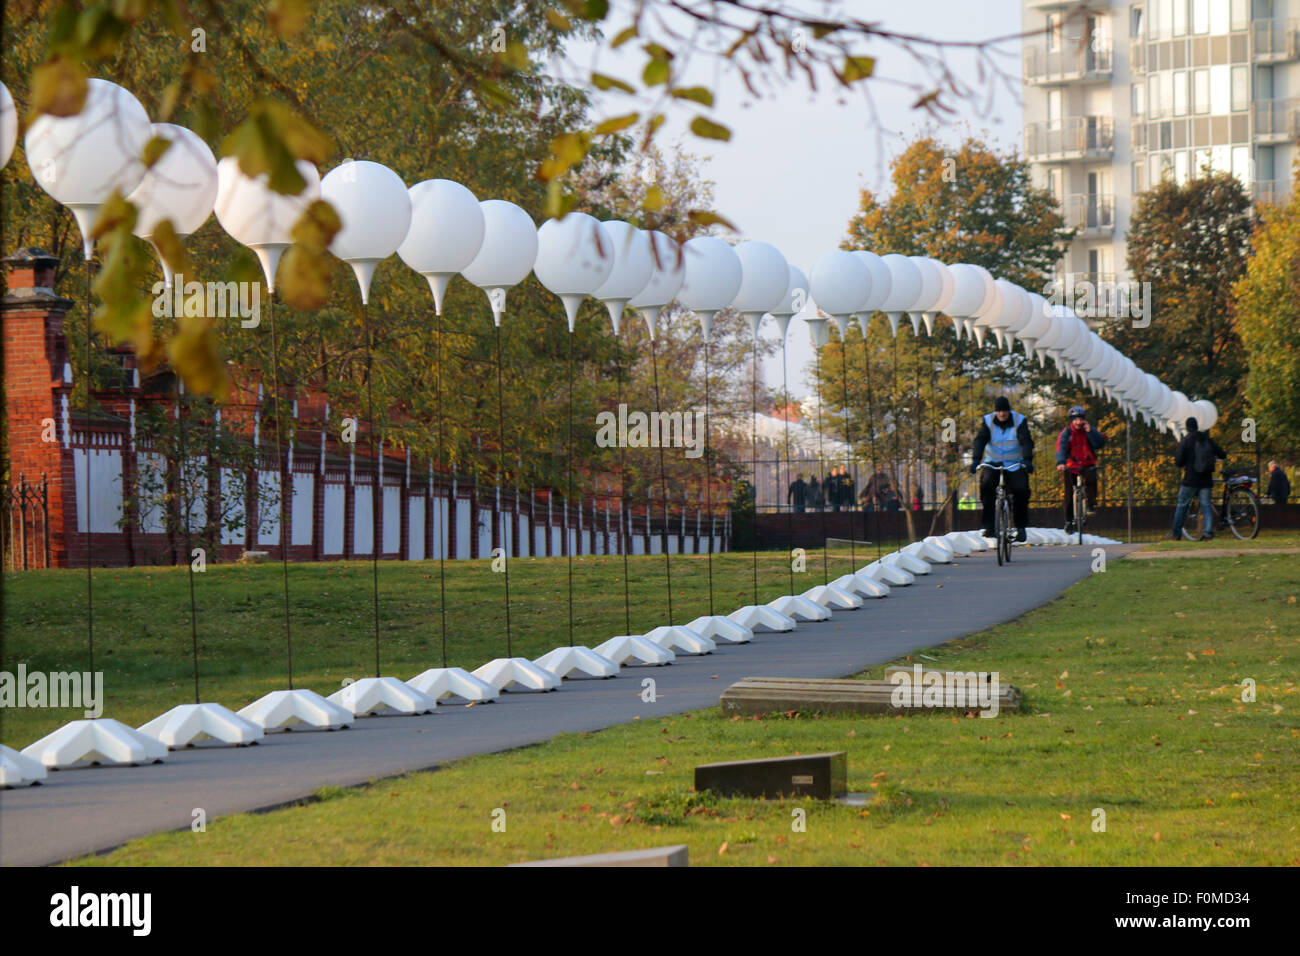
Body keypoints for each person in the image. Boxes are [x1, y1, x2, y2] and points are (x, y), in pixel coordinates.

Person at [969, 395, 1034, 541]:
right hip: (993, 462)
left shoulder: (1019, 420)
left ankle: (1020, 527)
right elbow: (980, 440)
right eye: (999, 411)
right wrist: (975, 460)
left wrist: (1028, 460)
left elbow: (1026, 441)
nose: (1002, 414)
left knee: (1020, 490)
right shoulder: (988, 421)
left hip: (1014, 463)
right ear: (996, 412)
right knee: (986, 487)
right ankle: (989, 526)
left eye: (1005, 411)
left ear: (1009, 411)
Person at [1169, 417, 1226, 540]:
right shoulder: (1207, 440)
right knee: (1206, 505)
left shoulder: (1186, 441)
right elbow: (1222, 454)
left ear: (1187, 427)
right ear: (1197, 426)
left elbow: (1178, 462)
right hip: (1206, 480)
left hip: (1190, 480)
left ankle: (1176, 533)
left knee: (1182, 505)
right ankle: (1208, 533)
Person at [1056, 405, 1107, 533]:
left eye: (1080, 419)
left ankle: (1090, 505)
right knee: (1068, 494)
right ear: (1072, 420)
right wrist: (1061, 462)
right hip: (1071, 465)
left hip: (1087, 463)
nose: (1078, 422)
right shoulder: (1067, 433)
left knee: (1091, 480)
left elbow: (1099, 443)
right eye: (1076, 419)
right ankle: (1068, 521)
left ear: (1084, 420)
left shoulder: (1089, 430)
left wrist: (1091, 432)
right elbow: (1060, 447)